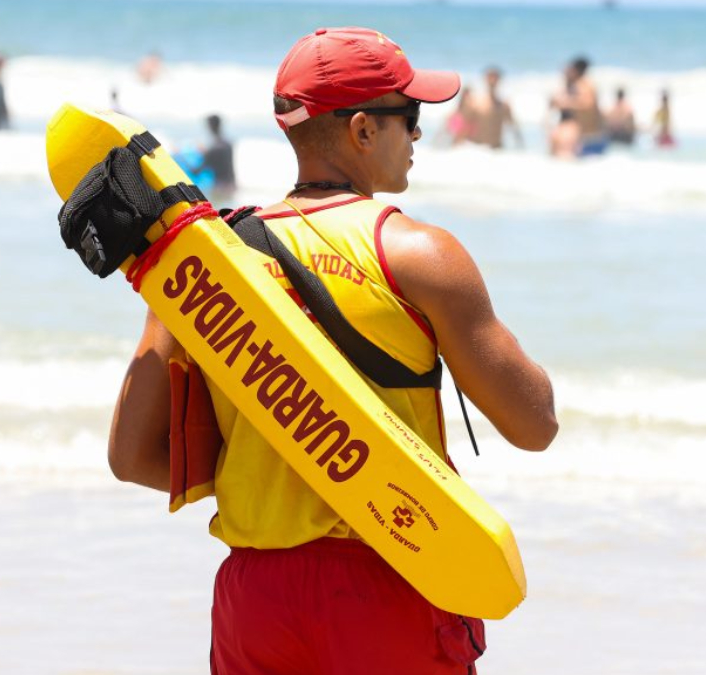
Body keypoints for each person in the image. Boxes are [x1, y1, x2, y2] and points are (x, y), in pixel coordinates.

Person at [107, 26, 558, 674]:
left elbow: (131, 456)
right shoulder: (419, 254)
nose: (421, 135)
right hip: (395, 569)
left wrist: (278, 473)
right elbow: (534, 423)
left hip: (255, 599)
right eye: (411, 116)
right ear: (363, 131)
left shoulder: (209, 262)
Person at [548, 56, 603, 158]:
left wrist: (565, 103)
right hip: (582, 131)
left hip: (584, 132)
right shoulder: (573, 86)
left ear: (576, 70)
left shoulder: (584, 86)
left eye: (569, 69)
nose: (564, 72)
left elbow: (588, 104)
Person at [461, 67, 522, 150]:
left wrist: (521, 149)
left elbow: (514, 129)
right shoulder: (474, 102)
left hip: (497, 149)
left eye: (495, 78)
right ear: (485, 79)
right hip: (478, 149)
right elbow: (463, 127)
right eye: (490, 77)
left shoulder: (504, 106)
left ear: (499, 80)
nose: (492, 81)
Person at [197, 113, 236, 196]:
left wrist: (180, 157)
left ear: (210, 126)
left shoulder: (213, 149)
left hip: (220, 188)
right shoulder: (228, 144)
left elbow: (196, 171)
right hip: (232, 185)